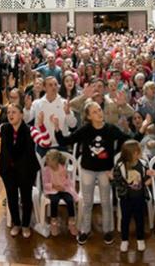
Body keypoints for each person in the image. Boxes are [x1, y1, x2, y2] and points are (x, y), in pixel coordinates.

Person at [52, 101, 131, 245]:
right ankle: (85, 230)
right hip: (87, 170)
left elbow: (128, 140)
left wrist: (142, 128)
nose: (99, 113)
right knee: (87, 202)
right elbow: (65, 140)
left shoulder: (110, 129)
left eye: (100, 110)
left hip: (105, 171)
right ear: (88, 116)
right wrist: (57, 128)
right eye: (95, 112)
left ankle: (107, 231)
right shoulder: (85, 129)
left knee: (106, 202)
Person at [0, 104, 50, 238]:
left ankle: (26, 225)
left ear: (21, 115)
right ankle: (16, 223)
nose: (10, 115)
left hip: (26, 171)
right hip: (8, 171)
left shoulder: (30, 130)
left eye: (14, 112)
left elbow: (45, 143)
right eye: (8, 112)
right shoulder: (3, 128)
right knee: (11, 197)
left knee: (26, 199)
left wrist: (42, 126)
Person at [112, 140, 151, 252]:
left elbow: (147, 178)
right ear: (134, 153)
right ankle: (124, 240)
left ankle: (140, 239)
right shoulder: (120, 166)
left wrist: (148, 180)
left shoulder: (143, 164)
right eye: (139, 151)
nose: (141, 153)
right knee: (125, 220)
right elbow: (116, 182)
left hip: (140, 198)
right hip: (126, 198)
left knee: (140, 219)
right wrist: (121, 184)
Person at [41, 149, 77, 237]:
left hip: (64, 188)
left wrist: (63, 187)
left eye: (48, 160)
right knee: (54, 200)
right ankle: (54, 221)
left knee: (69, 200)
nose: (46, 161)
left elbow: (67, 180)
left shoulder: (62, 168)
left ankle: (71, 221)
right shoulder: (46, 170)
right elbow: (45, 184)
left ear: (55, 161)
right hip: (52, 190)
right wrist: (54, 186)